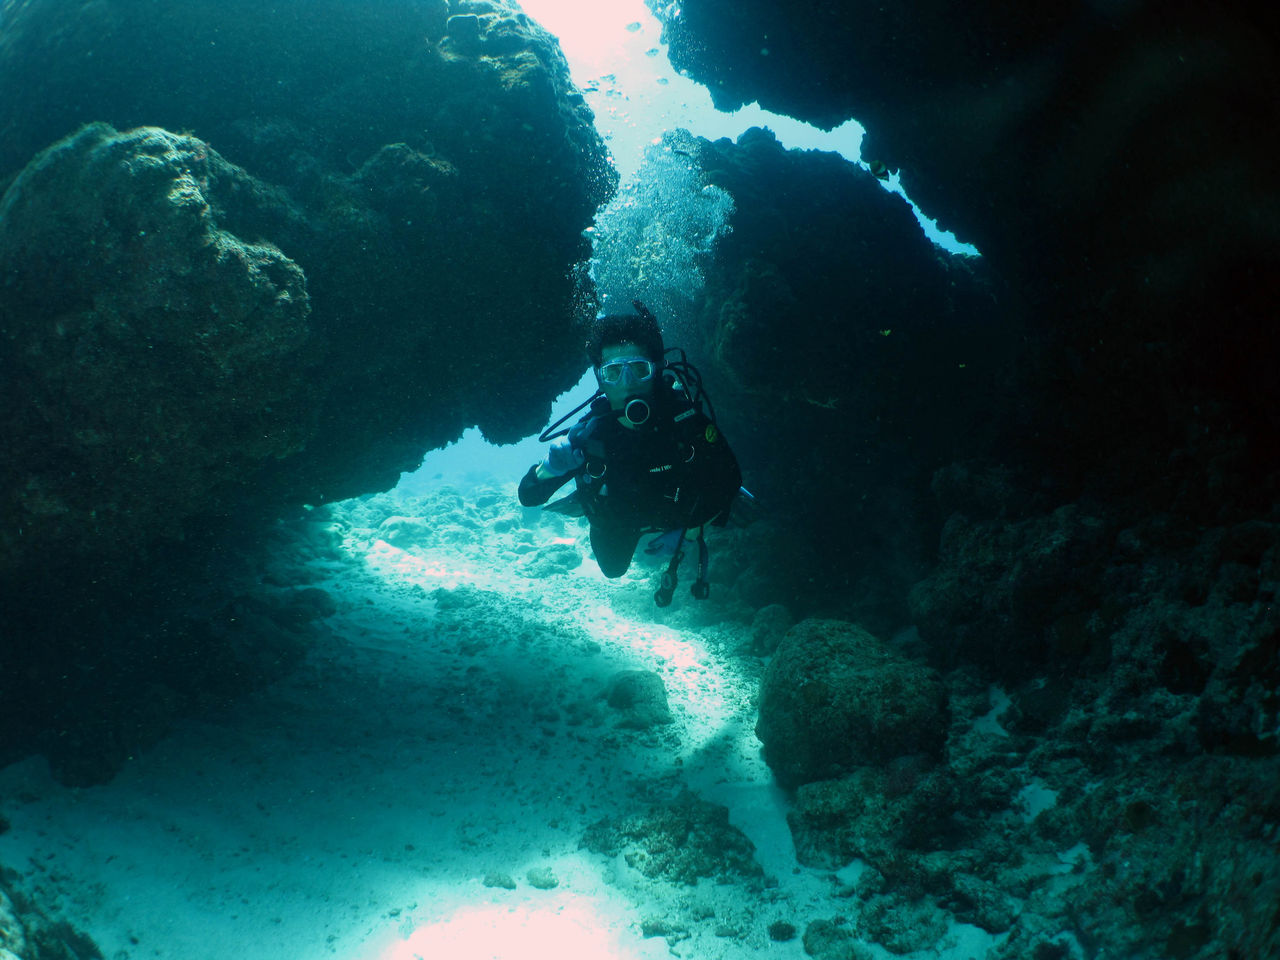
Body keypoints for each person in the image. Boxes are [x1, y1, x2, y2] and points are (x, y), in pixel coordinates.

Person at [518, 301, 742, 604]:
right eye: (613, 372)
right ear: (600, 378)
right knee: (613, 569)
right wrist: (549, 469)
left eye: (639, 369)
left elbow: (731, 479)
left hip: (678, 516)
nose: (627, 384)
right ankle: (583, 502)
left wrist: (692, 530)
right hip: (618, 519)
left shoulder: (685, 422)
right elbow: (528, 496)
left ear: (656, 370)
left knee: (728, 508)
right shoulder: (589, 436)